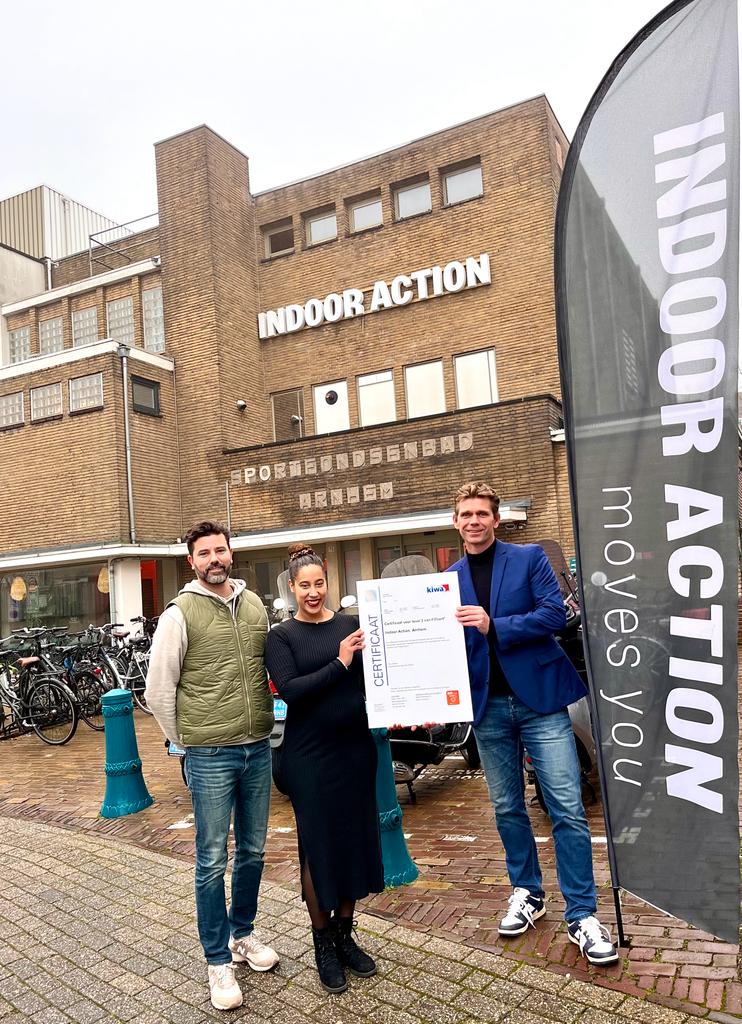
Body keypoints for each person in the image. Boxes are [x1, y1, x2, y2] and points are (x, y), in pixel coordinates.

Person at [448, 482, 618, 966]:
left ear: (496, 519)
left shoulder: (528, 558)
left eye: (482, 513)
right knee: (507, 807)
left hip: (540, 701)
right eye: (466, 514)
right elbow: (445, 646)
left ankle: (582, 914)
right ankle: (528, 892)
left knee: (567, 807)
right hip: (488, 707)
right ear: (455, 522)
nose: (474, 521)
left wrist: (494, 625)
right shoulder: (448, 578)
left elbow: (553, 615)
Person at [145, 520, 279, 1011]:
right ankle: (217, 959)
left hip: (257, 746)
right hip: (210, 755)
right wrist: (187, 741)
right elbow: (158, 690)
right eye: (204, 553)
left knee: (253, 850)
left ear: (230, 553)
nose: (214, 559)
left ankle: (242, 934)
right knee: (211, 859)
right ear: (192, 562)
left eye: (220, 550)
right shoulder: (179, 614)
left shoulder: (255, 605)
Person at [265, 544, 383, 994]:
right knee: (318, 847)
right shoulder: (281, 636)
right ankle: (322, 945)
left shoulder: (350, 626)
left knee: (353, 840)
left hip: (354, 749)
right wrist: (339, 662)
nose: (313, 592)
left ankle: (345, 937)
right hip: (309, 756)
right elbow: (291, 690)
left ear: (328, 582)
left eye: (319, 583)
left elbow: (374, 681)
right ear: (291, 588)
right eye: (304, 586)